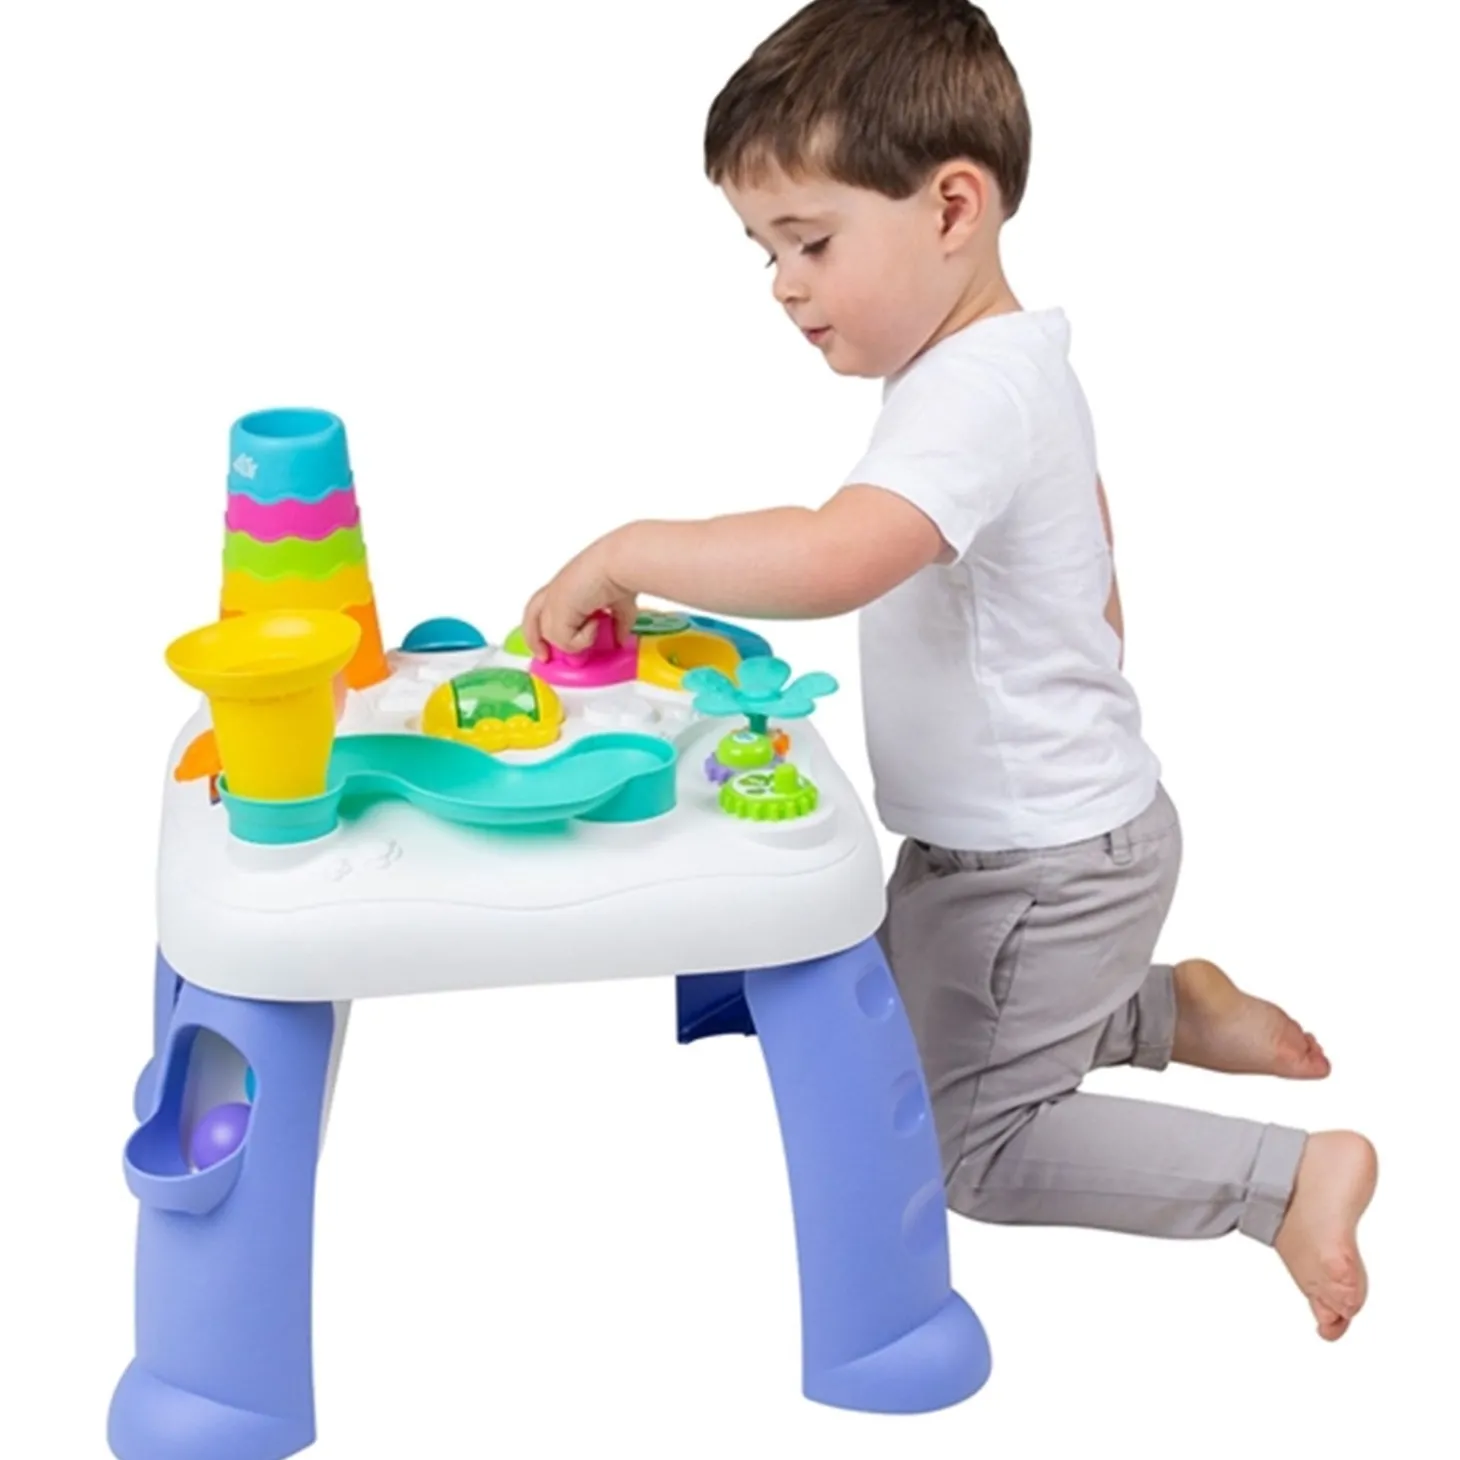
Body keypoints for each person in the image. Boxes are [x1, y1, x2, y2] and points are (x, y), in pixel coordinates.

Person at [520, 0, 1376, 1339]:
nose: (784, 284)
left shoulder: (972, 393)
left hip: (1043, 866)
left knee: (970, 1142)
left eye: (811, 241)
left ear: (952, 207)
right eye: (764, 250)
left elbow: (838, 556)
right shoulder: (1000, 366)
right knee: (902, 1016)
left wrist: (629, 551)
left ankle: (1285, 1181)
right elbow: (1095, 566)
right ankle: (1162, 1009)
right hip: (1032, 844)